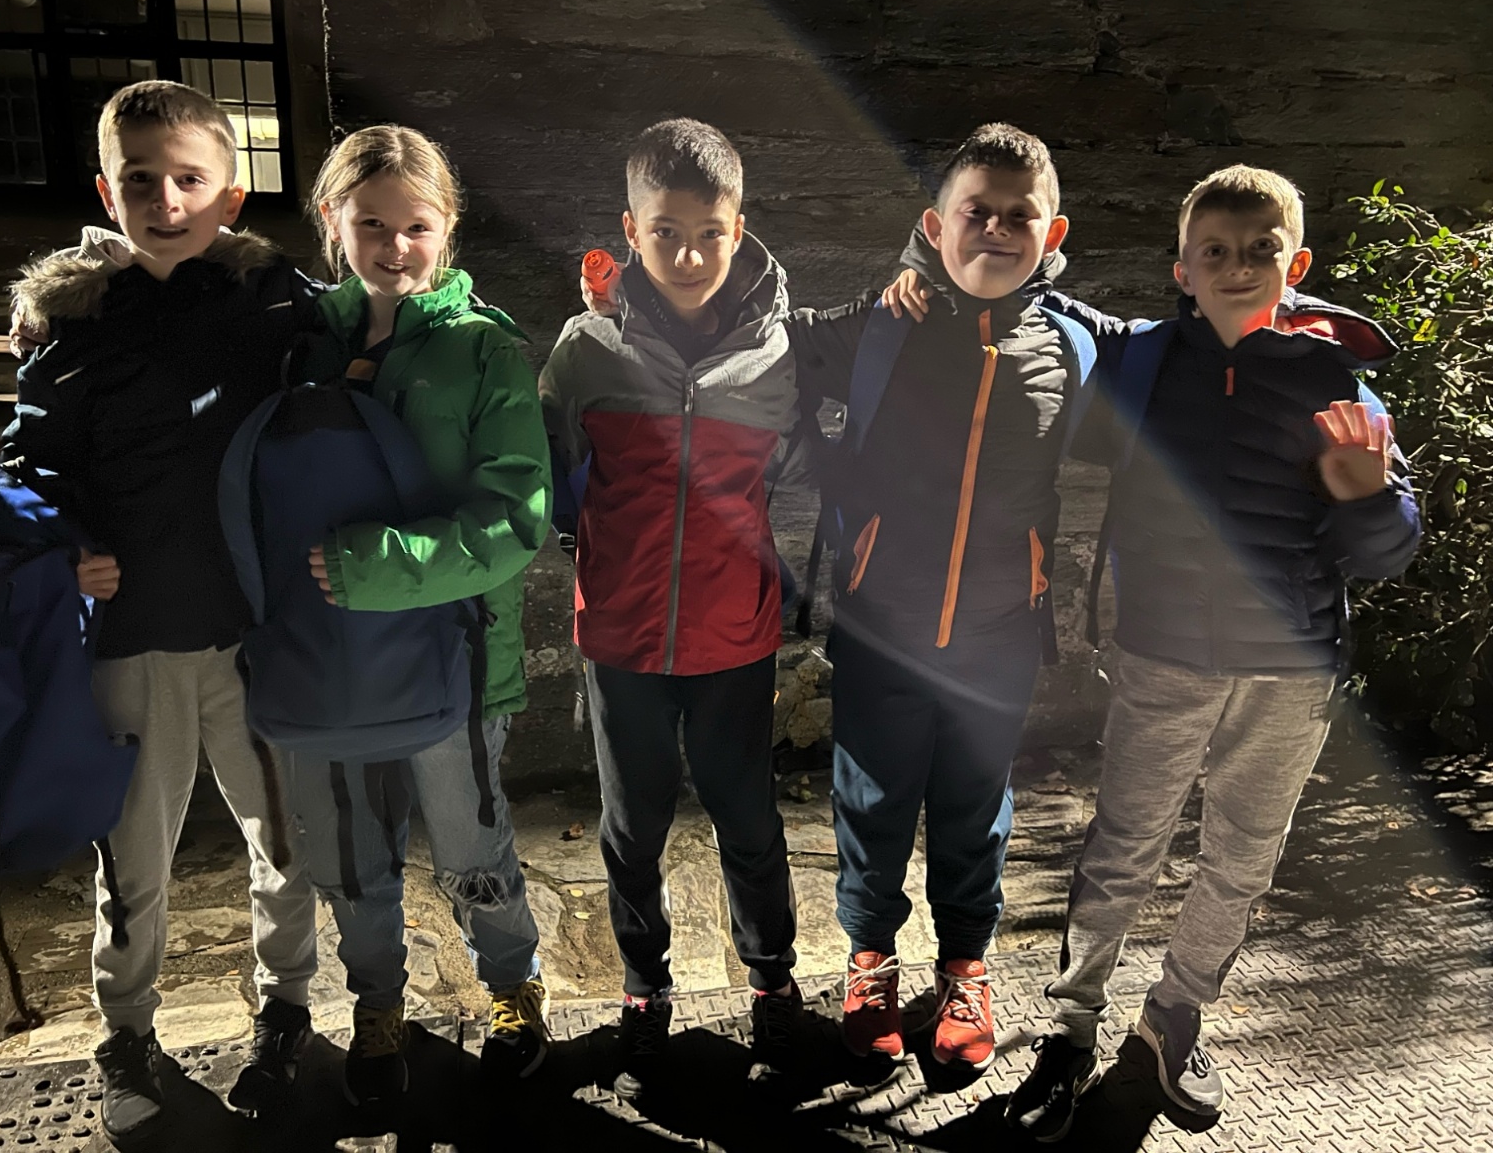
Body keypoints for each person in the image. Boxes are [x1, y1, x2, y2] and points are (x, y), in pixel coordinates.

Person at [1004, 165, 1420, 1140]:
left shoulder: (1334, 380)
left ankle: (1172, 1020)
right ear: (1182, 270)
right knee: (1123, 849)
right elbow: (1032, 304)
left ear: (1295, 264)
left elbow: (1390, 550)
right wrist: (953, 255)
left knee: (1241, 862)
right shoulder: (1143, 361)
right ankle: (1069, 1029)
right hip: (1163, 659)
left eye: (1260, 250)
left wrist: (1367, 495)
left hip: (1290, 674)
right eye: (1215, 252)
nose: (1238, 267)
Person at [1, 80, 320, 1138]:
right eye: (142, 180)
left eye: (190, 179)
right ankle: (128, 1033)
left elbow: (373, 332)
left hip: (250, 634)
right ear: (109, 192)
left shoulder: (276, 303)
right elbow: (30, 465)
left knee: (284, 840)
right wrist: (66, 548)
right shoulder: (74, 327)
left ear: (230, 195)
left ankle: (287, 1011)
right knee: (132, 861)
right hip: (132, 640)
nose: (167, 200)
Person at [783, 123, 1085, 1071]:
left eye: (1018, 216)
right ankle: (870, 959)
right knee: (870, 804)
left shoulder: (1071, 343)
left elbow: (1190, 352)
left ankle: (965, 966)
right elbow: (767, 341)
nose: (996, 230)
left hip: (1001, 633)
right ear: (934, 224)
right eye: (975, 212)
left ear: (1052, 233)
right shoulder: (883, 325)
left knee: (975, 808)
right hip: (883, 625)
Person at [540, 118, 805, 1098]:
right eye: (665, 234)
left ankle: (772, 981)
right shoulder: (586, 350)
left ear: (740, 227)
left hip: (734, 635)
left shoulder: (780, 353)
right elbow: (558, 471)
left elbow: (795, 469)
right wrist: (596, 556)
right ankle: (644, 990)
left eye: (708, 234)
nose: (688, 256)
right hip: (622, 636)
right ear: (631, 229)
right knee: (633, 826)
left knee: (749, 820)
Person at [292, 124, 553, 1104]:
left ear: (447, 227)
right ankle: (377, 1003)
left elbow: (515, 518)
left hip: (452, 653)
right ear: (333, 220)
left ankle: (512, 987)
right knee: (352, 847)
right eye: (371, 224)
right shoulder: (299, 341)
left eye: (416, 226)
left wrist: (374, 568)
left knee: (469, 839)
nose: (395, 246)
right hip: (329, 652)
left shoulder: (484, 350)